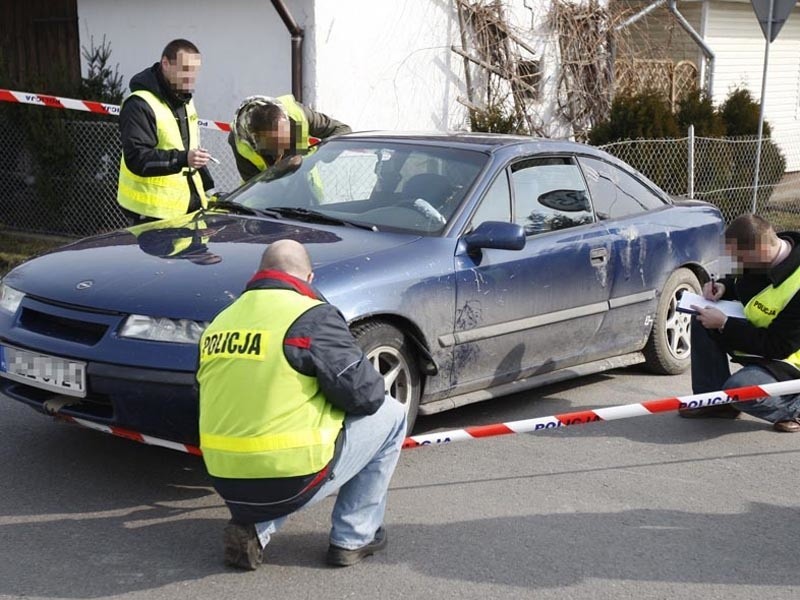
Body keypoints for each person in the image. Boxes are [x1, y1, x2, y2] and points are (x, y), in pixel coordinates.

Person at [196, 239, 406, 570]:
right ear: (308, 278)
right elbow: (365, 395)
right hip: (290, 476)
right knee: (392, 413)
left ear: (259, 274)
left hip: (223, 476)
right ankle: (354, 537)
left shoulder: (220, 321)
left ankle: (255, 528)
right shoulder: (311, 318)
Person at [679, 213, 800, 432]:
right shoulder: (764, 253)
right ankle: (715, 402)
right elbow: (739, 281)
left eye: (740, 258)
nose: (737, 263)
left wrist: (725, 324)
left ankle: (794, 408)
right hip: (762, 337)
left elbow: (779, 346)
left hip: (788, 358)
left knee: (740, 391)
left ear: (761, 250)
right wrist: (723, 287)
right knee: (702, 318)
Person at [117, 39, 215, 224]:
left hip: (189, 209)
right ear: (165, 64)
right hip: (152, 215)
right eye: (185, 69)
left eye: (195, 71)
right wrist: (183, 158)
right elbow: (137, 158)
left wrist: (206, 188)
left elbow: (187, 149)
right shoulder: (139, 104)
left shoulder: (184, 99)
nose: (191, 77)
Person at [227, 95, 351, 183]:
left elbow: (342, 130)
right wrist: (280, 171)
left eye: (286, 135)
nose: (285, 144)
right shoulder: (239, 141)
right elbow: (253, 184)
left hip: (306, 191)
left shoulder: (296, 116)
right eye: (276, 142)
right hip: (262, 203)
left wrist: (317, 157)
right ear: (256, 137)